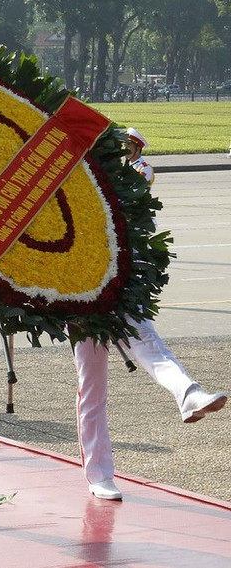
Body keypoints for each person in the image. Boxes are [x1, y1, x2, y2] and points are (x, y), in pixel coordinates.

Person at [73, 127, 226, 500]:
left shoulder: (139, 207)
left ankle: (188, 393)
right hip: (83, 301)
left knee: (149, 345)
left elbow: (145, 249)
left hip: (123, 292)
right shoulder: (80, 194)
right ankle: (98, 474)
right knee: (92, 389)